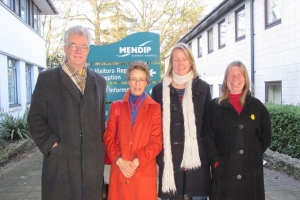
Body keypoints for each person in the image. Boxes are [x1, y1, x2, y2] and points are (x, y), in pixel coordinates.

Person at [27, 25, 106, 200]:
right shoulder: (47, 79)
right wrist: (53, 145)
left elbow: (101, 123)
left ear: (88, 50)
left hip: (91, 167)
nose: (78, 51)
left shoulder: (99, 82)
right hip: (61, 164)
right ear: (65, 48)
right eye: (73, 45)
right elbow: (35, 118)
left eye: (83, 46)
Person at [203, 61, 272, 200]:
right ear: (225, 79)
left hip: (251, 174)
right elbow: (207, 136)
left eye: (239, 74)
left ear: (245, 78)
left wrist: (252, 156)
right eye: (231, 75)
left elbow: (265, 137)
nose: (235, 79)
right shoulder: (215, 106)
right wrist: (215, 161)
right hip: (224, 173)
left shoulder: (257, 107)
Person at [151, 43, 212, 200]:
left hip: (197, 162)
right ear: (171, 62)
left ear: (191, 61)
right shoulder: (158, 90)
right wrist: (158, 160)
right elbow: (154, 129)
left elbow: (209, 128)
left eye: (184, 59)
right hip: (169, 161)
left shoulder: (203, 88)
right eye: (176, 59)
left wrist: (210, 159)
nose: (180, 63)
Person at [103, 61, 162, 200]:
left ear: (146, 82)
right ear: (128, 81)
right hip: (120, 170)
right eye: (134, 79)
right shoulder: (116, 107)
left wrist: (135, 162)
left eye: (141, 79)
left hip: (142, 171)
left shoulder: (155, 108)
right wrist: (120, 161)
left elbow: (156, 143)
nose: (137, 83)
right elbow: (108, 137)